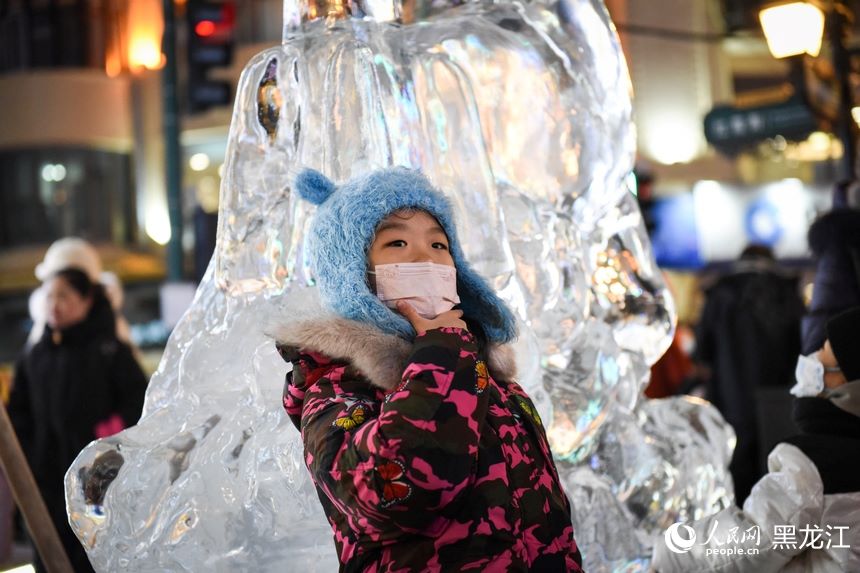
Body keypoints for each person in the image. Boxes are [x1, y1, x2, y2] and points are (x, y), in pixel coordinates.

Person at [270, 167, 583, 571]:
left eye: (439, 245)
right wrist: (444, 351)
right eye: (397, 242)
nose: (424, 258)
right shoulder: (336, 388)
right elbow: (397, 494)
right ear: (353, 275)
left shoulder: (493, 382)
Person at [651, 306, 860, 572]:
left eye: (825, 355)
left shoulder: (812, 470)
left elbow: (749, 543)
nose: (813, 358)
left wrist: (669, 550)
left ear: (849, 388)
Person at [8, 267, 149, 572]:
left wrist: (111, 436)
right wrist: (28, 456)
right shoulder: (35, 356)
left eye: (64, 295)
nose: (54, 304)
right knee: (48, 554)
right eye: (49, 296)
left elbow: (139, 403)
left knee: (94, 558)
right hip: (45, 482)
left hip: (98, 483)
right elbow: (17, 414)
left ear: (86, 301)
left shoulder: (109, 350)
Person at [694, 244, 805, 504]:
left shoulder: (720, 294)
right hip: (782, 402)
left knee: (738, 472)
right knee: (780, 471)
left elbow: (702, 353)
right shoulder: (787, 292)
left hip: (731, 399)